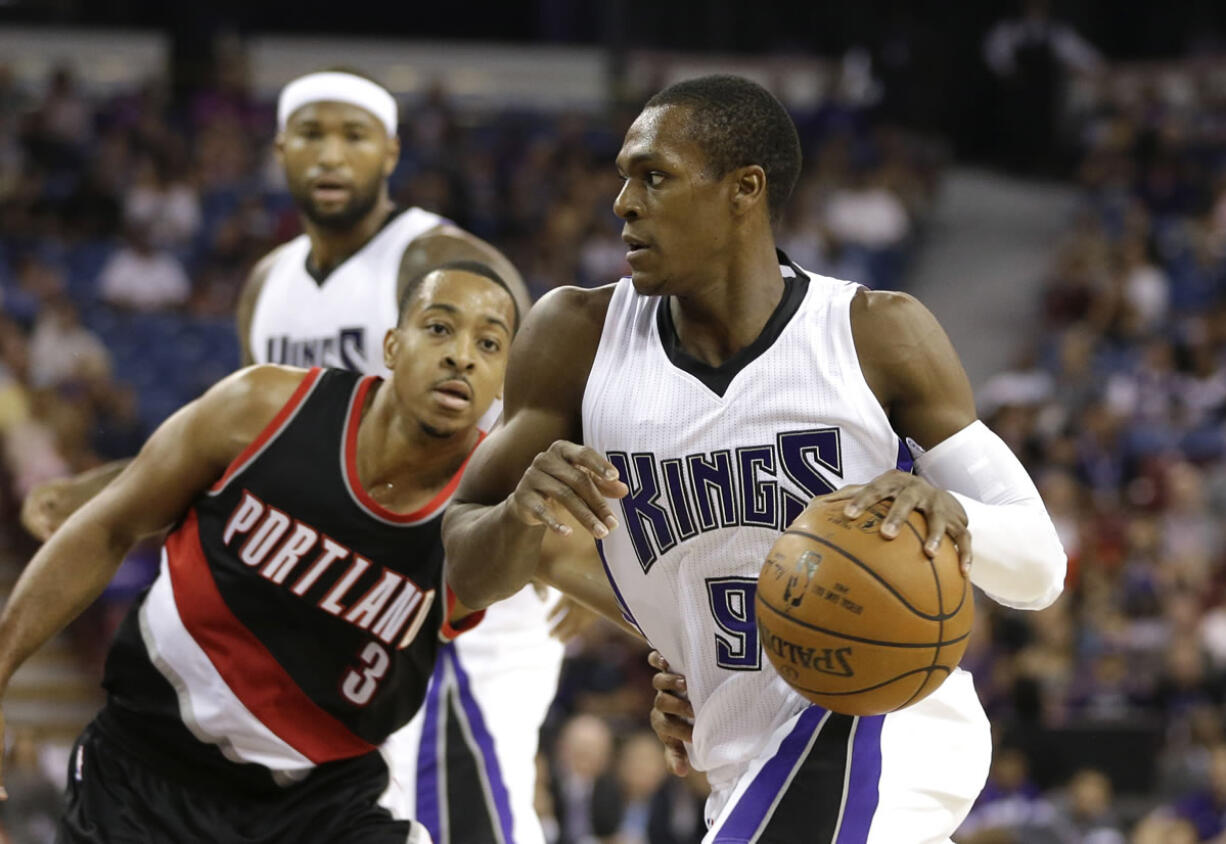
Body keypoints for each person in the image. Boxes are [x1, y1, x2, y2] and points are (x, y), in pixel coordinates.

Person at [441, 75, 1067, 843]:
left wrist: (956, 515)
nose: (624, 203)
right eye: (624, 178)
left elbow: (1040, 571)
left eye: (655, 176)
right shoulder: (574, 335)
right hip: (740, 764)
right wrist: (520, 518)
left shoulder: (874, 335)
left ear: (744, 189)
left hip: (880, 724)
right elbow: (463, 566)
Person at [20, 69, 580, 844]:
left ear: (391, 153)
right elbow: (253, 453)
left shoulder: (439, 256)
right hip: (330, 605)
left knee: (469, 816)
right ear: (279, 149)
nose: (331, 155)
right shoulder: (268, 285)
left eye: (354, 136)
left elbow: (533, 396)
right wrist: (100, 485)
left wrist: (591, 558)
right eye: (313, 135)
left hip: (447, 582)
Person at [0, 263, 520, 841]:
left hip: (318, 805)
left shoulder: (497, 507)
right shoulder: (263, 407)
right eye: (441, 329)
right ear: (392, 346)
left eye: (489, 342)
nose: (462, 356)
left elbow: (613, 577)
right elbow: (109, 525)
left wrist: (639, 627)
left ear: (505, 381)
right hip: (146, 769)